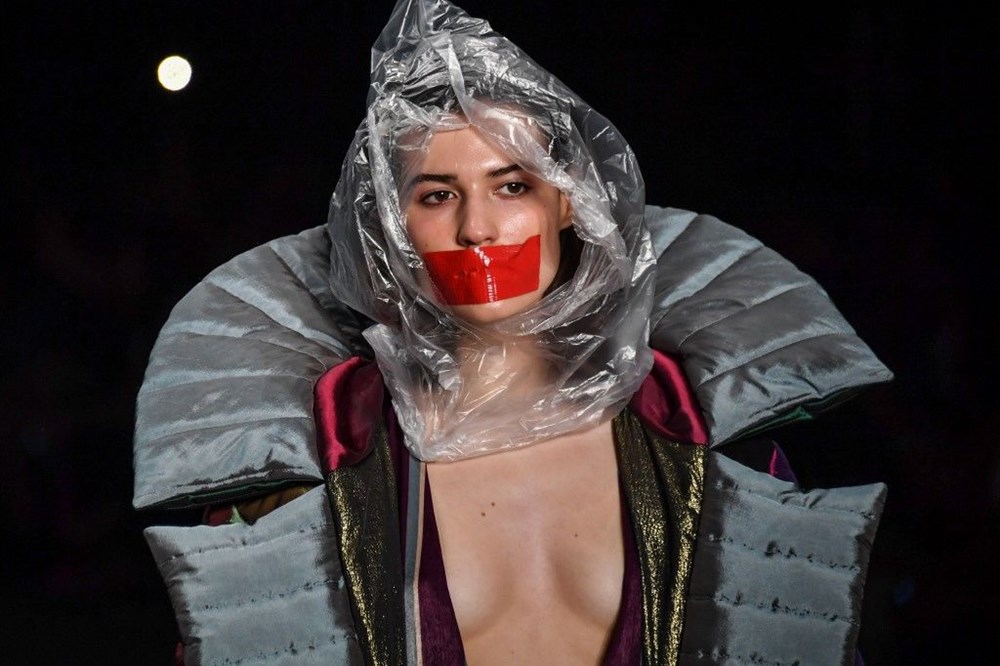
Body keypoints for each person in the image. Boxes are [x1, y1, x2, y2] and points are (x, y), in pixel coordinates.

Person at [133, 1, 892, 664]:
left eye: (512, 184)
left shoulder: (694, 430)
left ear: (570, 202)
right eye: (437, 195)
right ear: (390, 225)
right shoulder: (327, 448)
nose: (478, 229)